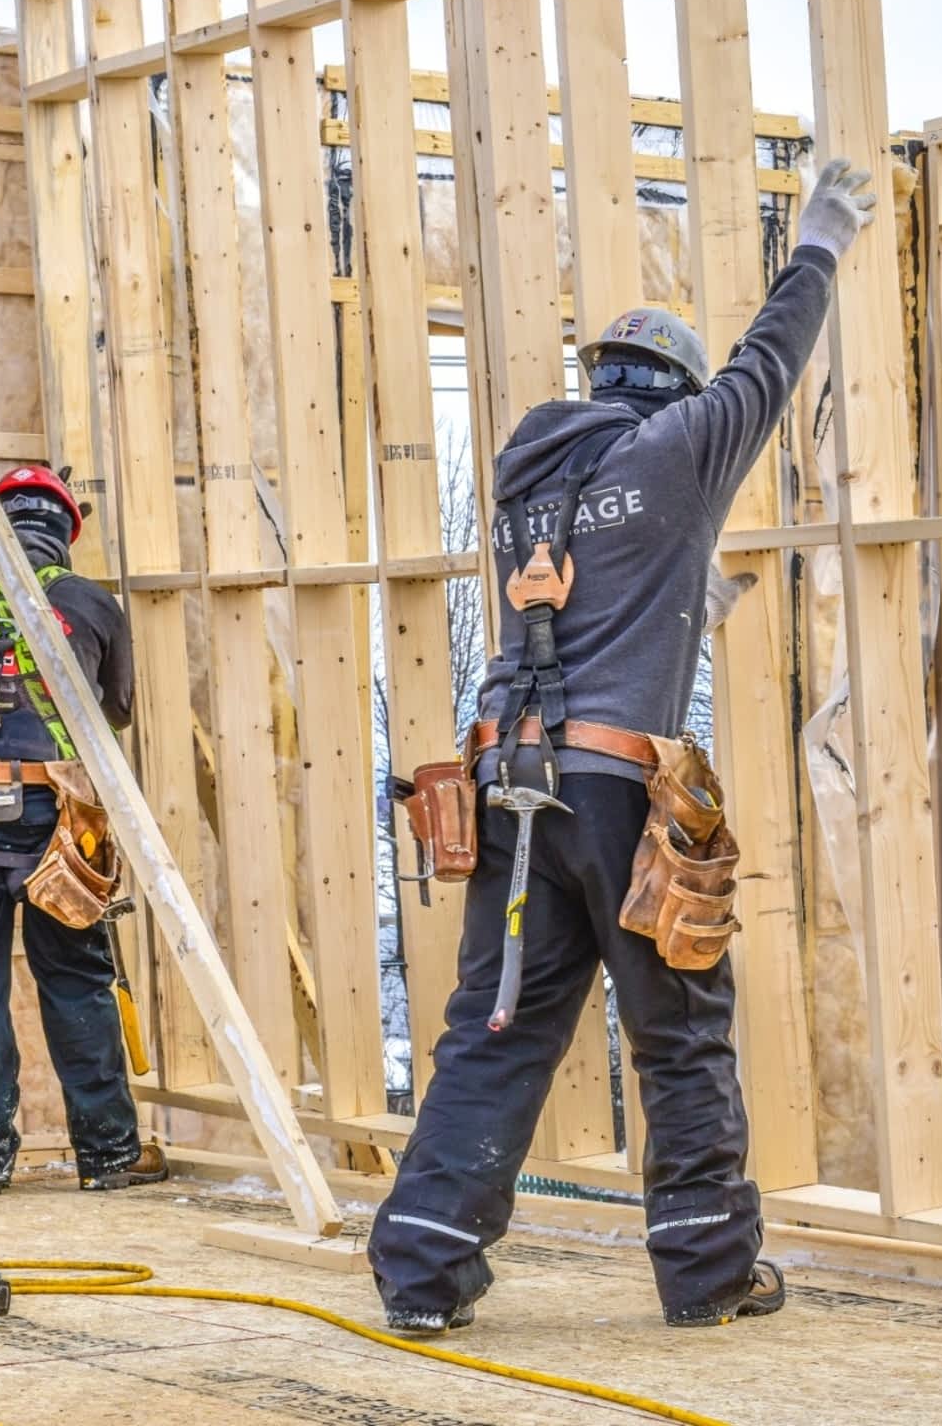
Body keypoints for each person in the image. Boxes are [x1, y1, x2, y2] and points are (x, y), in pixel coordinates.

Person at [369, 159, 878, 1332]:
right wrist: (818, 245)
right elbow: (766, 370)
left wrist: (681, 599)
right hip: (613, 793)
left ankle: (422, 1273)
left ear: (599, 381)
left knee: (495, 1035)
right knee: (678, 1032)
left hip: (510, 785)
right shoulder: (678, 449)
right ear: (674, 393)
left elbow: (579, 592)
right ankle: (706, 1274)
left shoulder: (523, 475)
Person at [0, 466, 165, 1197]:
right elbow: (115, 711)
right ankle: (108, 1155)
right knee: (77, 979)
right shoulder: (91, 604)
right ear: (64, 530)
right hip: (54, 820)